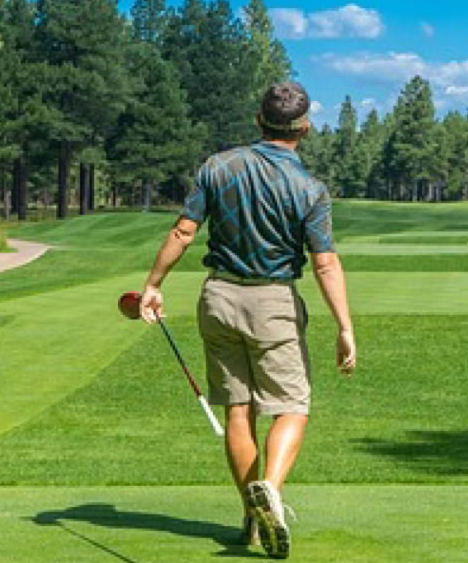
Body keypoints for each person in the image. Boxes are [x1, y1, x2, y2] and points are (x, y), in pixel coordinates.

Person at [138, 81, 355, 560]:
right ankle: (270, 492)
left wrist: (154, 284)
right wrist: (344, 327)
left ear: (259, 120)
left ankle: (252, 518)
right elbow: (324, 263)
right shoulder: (311, 189)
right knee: (292, 406)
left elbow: (183, 230)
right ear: (305, 128)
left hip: (217, 297)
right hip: (273, 302)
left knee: (239, 410)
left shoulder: (218, 167)